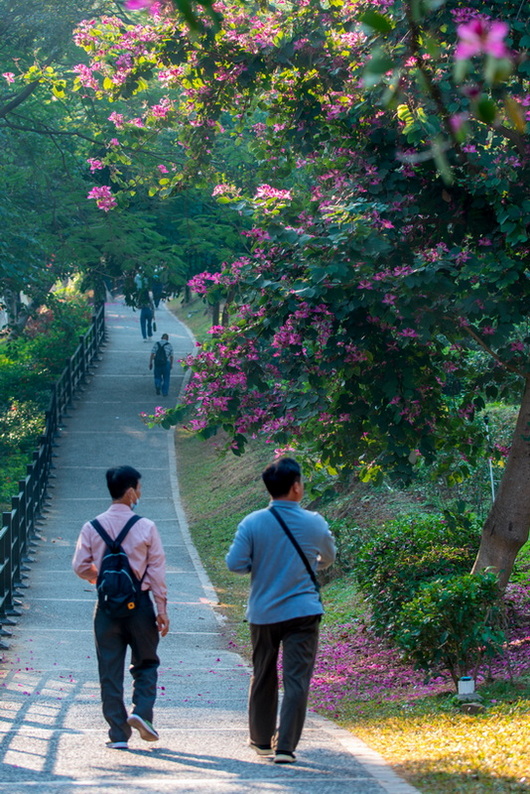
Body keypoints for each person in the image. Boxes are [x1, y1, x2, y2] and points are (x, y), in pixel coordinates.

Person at [226, 457, 336, 764]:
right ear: (297, 486)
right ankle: (286, 747)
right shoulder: (315, 522)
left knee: (263, 674)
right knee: (297, 678)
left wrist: (259, 564)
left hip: (263, 613)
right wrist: (313, 562)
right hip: (303, 611)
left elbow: (235, 564)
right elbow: (329, 555)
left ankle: (261, 742)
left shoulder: (252, 523)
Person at [72, 466, 169, 750]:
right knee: (146, 662)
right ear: (129, 492)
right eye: (138, 488)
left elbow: (79, 566)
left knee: (109, 669)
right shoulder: (146, 526)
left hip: (106, 609)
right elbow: (157, 573)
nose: (140, 493)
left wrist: (102, 578)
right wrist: (161, 609)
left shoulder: (92, 527)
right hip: (139, 607)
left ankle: (117, 734)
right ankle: (141, 713)